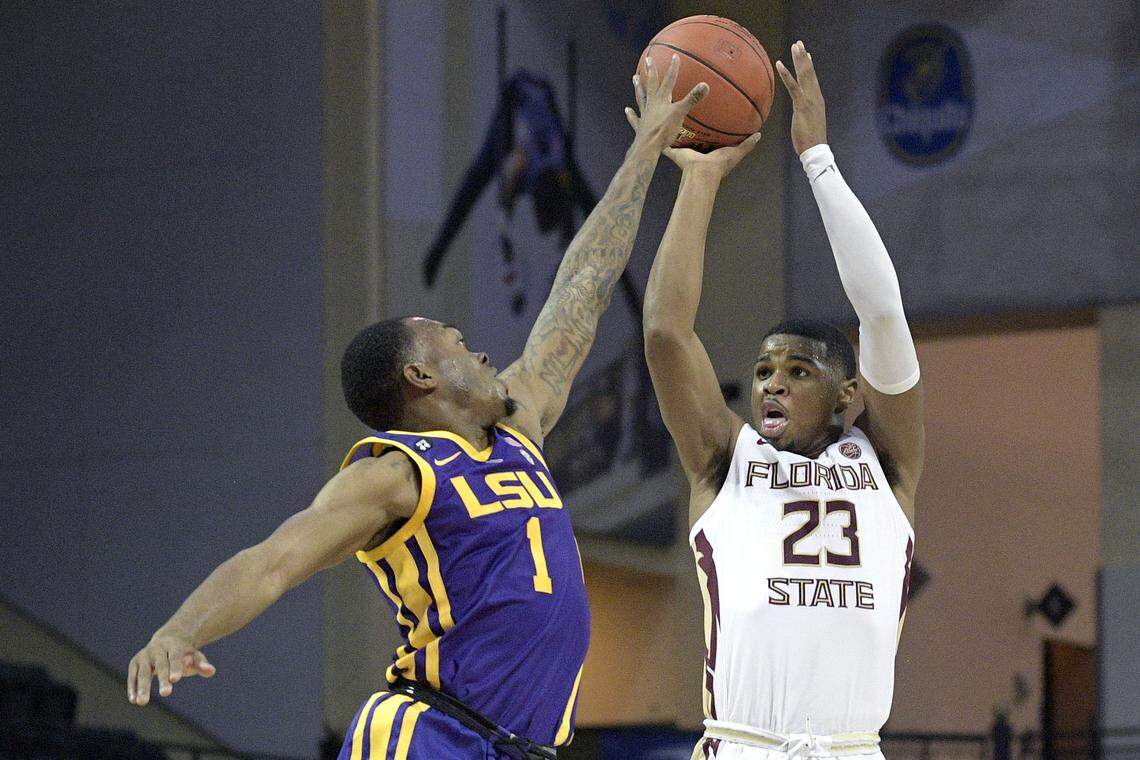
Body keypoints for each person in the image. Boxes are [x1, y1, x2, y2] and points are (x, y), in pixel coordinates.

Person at [126, 55, 709, 760]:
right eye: (460, 344)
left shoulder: (520, 425)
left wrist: (647, 149)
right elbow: (274, 559)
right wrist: (179, 632)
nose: (485, 354)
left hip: (523, 747)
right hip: (430, 732)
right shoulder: (396, 472)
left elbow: (582, 286)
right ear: (420, 375)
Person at [639, 41, 923, 759]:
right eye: (764, 370)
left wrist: (819, 162)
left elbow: (883, 313)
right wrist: (699, 181)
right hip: (744, 745)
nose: (771, 383)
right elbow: (667, 334)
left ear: (847, 394)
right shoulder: (723, 459)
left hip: (854, 748)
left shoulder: (885, 464)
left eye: (799, 371)